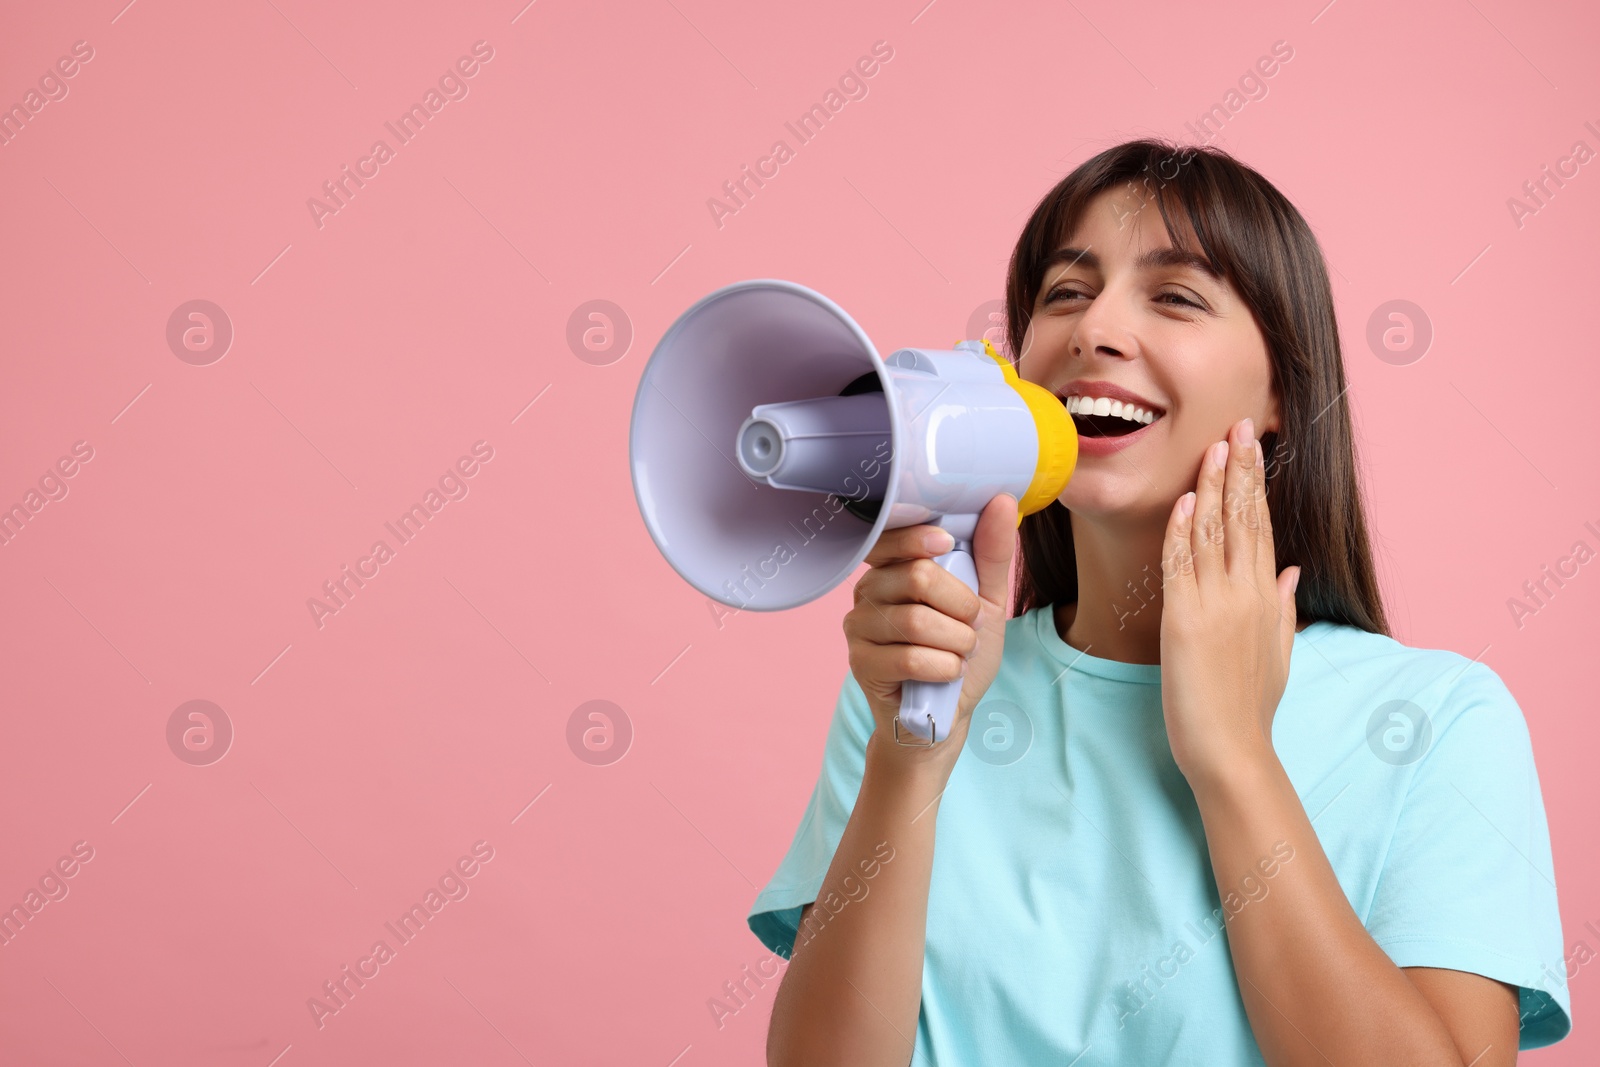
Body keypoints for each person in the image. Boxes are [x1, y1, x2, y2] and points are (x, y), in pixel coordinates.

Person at [746, 139, 1572, 1066]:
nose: (1094, 328)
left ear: (1282, 398)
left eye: (1176, 296)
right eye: (1065, 292)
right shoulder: (917, 682)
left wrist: (1233, 755)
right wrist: (907, 763)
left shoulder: (1440, 719)